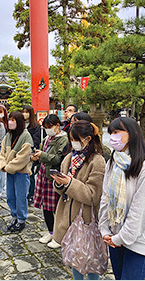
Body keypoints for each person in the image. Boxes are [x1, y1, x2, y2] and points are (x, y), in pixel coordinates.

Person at [98, 117, 145, 280]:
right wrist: (105, 228)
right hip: (115, 234)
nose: (113, 136)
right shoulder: (114, 161)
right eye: (111, 132)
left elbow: (141, 211)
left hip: (138, 240)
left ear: (133, 134)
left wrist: (122, 238)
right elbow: (106, 197)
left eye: (117, 132)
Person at [51, 120, 106, 280]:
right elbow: (61, 190)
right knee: (74, 257)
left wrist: (70, 183)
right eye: (71, 139)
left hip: (86, 218)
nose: (73, 142)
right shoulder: (69, 158)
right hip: (67, 215)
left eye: (76, 139)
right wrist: (59, 183)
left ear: (87, 139)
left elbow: (93, 195)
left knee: (90, 257)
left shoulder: (97, 161)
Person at [31, 114, 68, 249]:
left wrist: (43, 155)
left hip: (54, 177)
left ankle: (59, 235)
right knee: (45, 206)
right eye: (46, 127)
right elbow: (44, 156)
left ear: (57, 125)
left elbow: (58, 159)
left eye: (50, 127)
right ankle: (51, 232)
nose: (48, 130)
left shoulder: (63, 139)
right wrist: (36, 157)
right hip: (43, 175)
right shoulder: (47, 138)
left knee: (57, 207)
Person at [0, 111, 34, 233]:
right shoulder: (8, 135)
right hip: (10, 172)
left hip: (21, 172)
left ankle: (21, 220)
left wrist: (8, 167)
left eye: (14, 120)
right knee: (10, 196)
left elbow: (23, 157)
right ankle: (14, 217)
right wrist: (4, 165)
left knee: (20, 197)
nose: (10, 122)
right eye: (10, 119)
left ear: (19, 122)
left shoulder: (26, 136)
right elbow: (2, 153)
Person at [23, 105, 44, 203]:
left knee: (30, 173)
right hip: (20, 152)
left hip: (30, 152)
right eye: (23, 111)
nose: (24, 114)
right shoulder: (21, 124)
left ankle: (31, 193)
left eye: (26, 112)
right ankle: (24, 192)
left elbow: (36, 140)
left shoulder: (36, 126)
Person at [0, 104, 9, 197]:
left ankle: (1, 186)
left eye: (1, 112)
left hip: (5, 149)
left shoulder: (8, 124)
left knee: (2, 168)